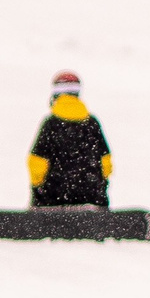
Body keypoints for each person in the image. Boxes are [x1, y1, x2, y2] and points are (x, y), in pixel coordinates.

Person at [28, 71, 113, 210]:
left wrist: (38, 192)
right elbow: (106, 162)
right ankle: (96, 210)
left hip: (53, 198)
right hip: (91, 196)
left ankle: (44, 213)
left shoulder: (51, 124)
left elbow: (36, 162)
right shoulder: (92, 123)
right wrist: (99, 187)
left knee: (47, 184)